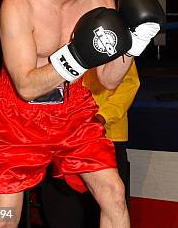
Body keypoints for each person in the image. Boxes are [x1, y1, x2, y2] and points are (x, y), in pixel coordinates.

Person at [0, 0, 164, 228]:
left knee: (114, 193)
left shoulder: (101, 3)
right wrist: (77, 56)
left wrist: (134, 45)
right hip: (15, 116)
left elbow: (107, 80)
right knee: (4, 219)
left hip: (74, 110)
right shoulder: (20, 3)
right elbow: (25, 86)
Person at [41, 61, 140, 227]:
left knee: (111, 206)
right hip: (60, 137)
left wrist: (102, 117)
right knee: (62, 213)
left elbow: (129, 83)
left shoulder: (109, 35)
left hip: (107, 136)